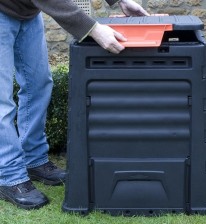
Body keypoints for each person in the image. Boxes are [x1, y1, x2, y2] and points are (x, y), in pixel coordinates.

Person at [0, 0, 149, 210]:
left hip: (26, 11)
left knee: (39, 84)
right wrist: (92, 28)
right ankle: (9, 175)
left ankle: (33, 159)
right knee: (2, 101)